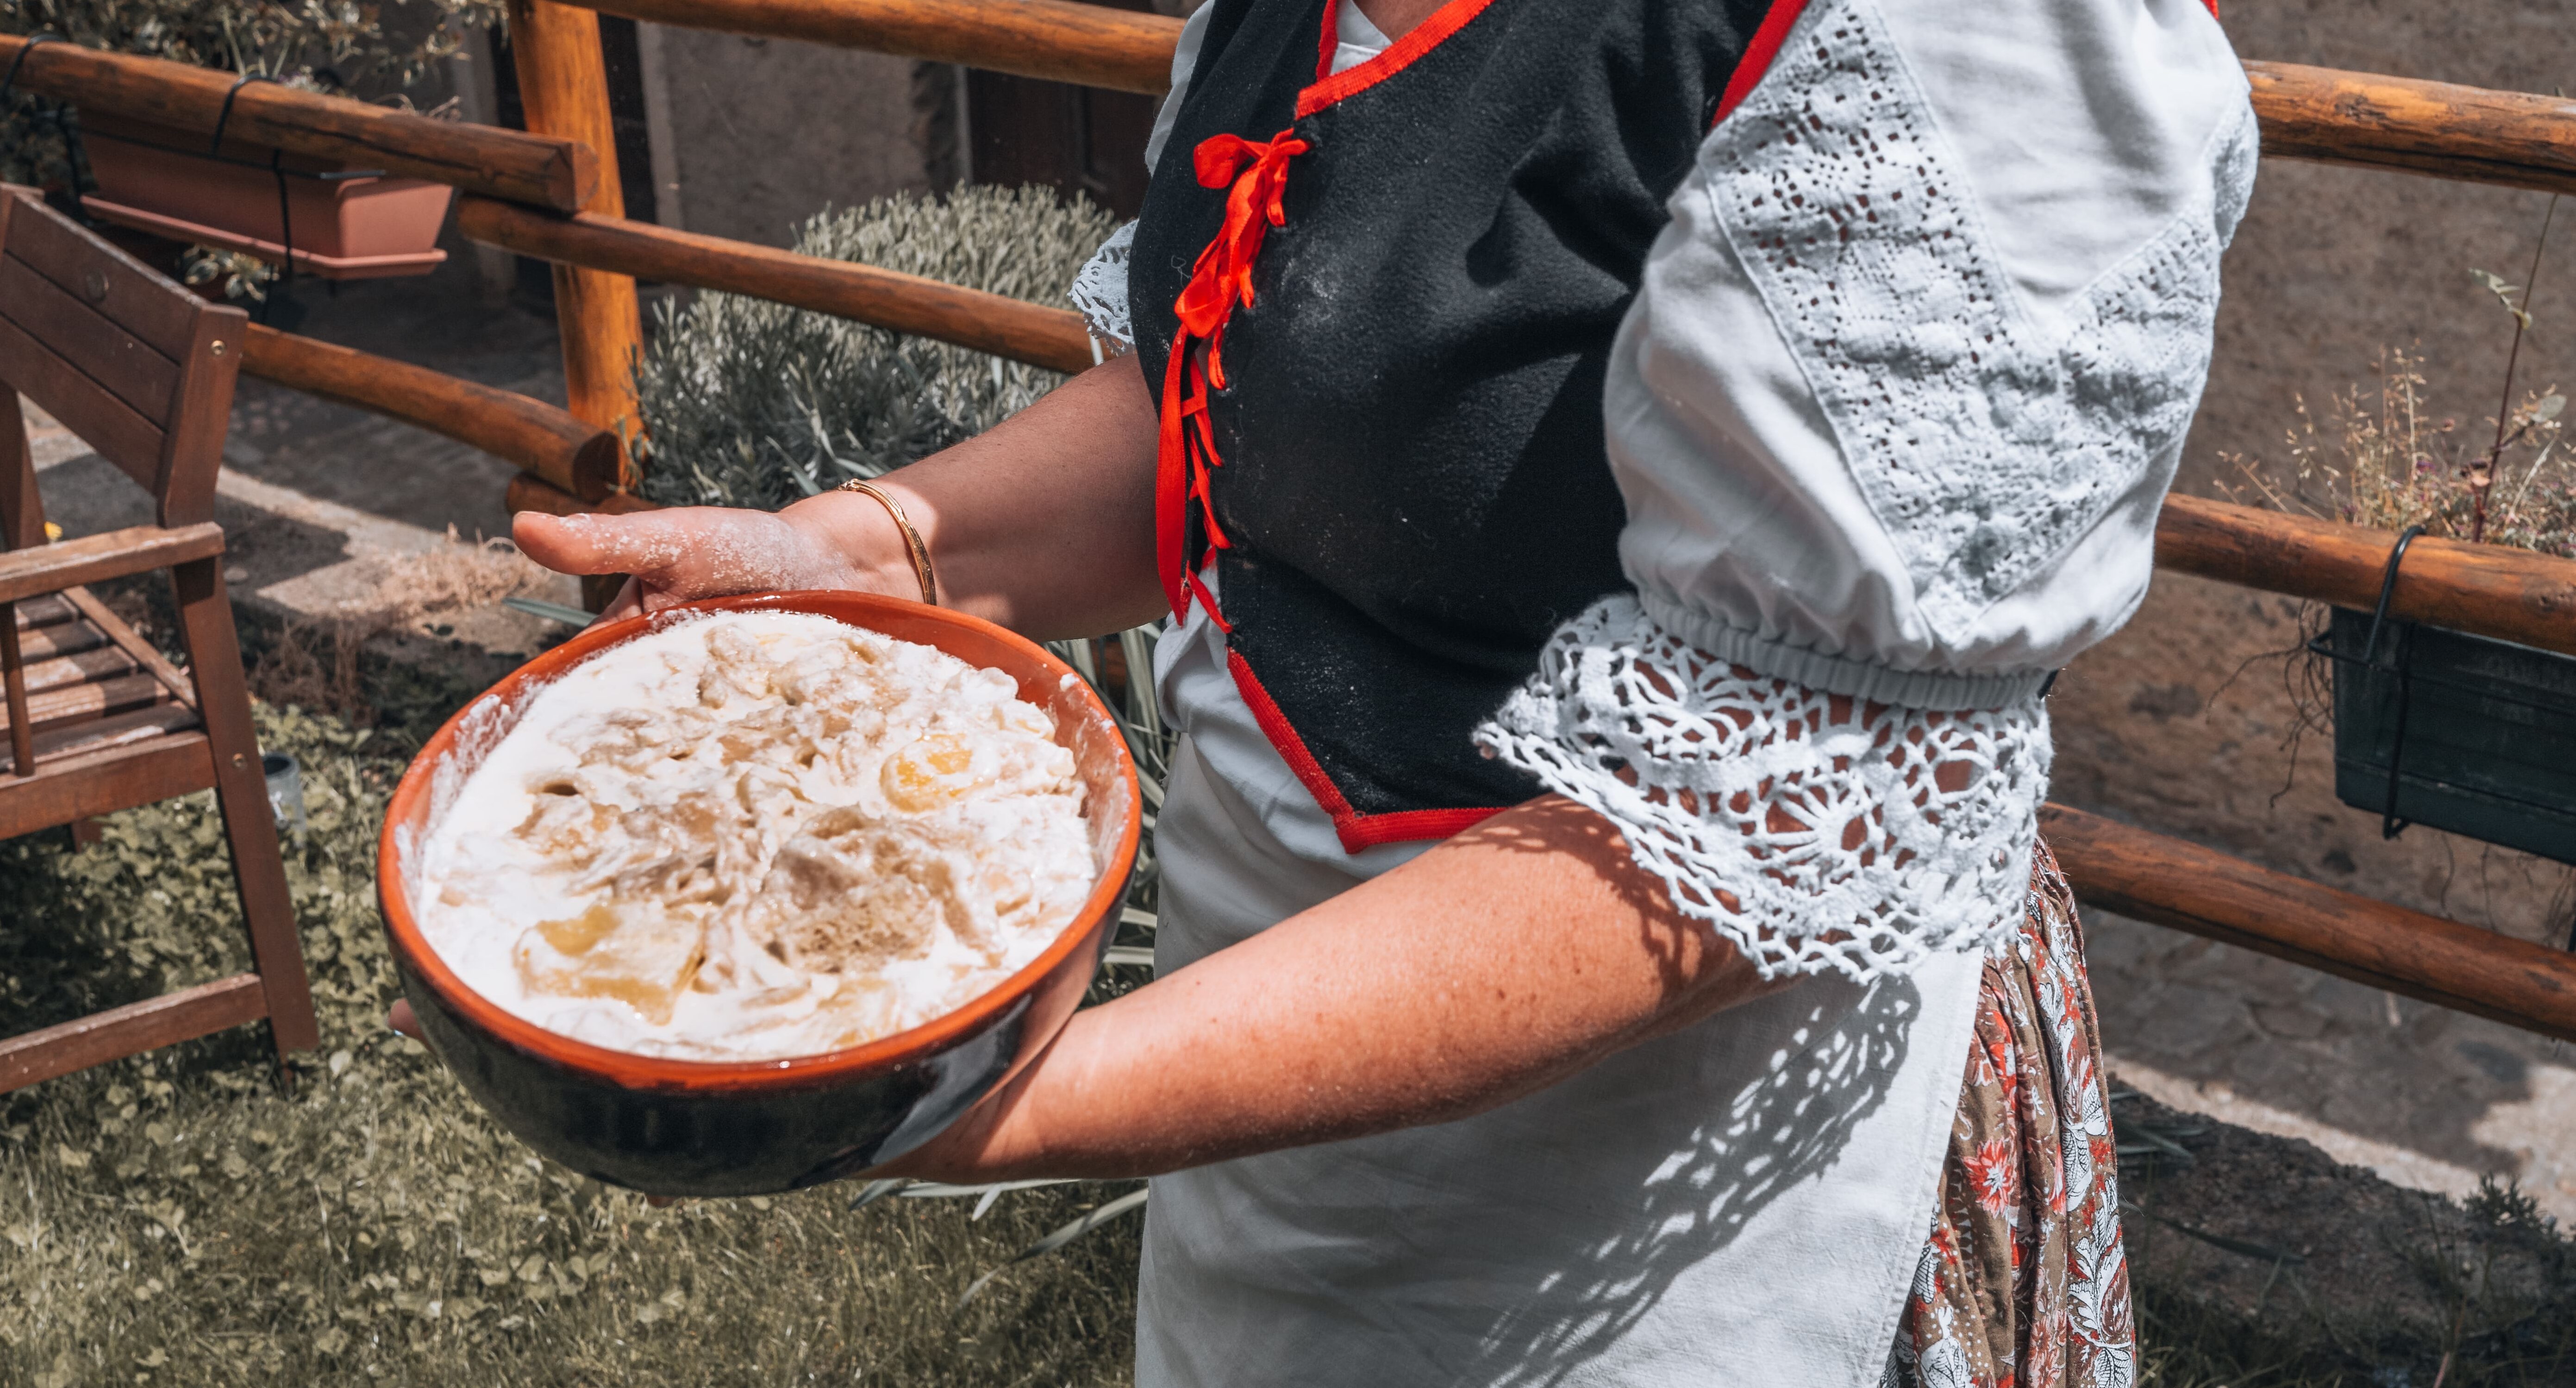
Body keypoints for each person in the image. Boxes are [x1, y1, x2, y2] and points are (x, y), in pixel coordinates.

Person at [478, 0, 2256, 1381]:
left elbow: (1747, 835)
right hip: (1269, 1049)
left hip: (1655, 1146)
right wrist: (876, 555)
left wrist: (996, 1097)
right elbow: (1258, 402)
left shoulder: (1955, 49)